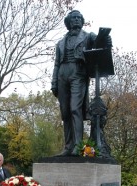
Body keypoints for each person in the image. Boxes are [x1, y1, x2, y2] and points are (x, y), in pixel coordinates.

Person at [51, 10, 112, 156]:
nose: (77, 20)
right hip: (62, 74)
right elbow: (56, 64)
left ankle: (77, 146)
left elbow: (99, 42)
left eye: (79, 18)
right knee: (65, 112)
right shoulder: (60, 43)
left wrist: (106, 39)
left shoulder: (87, 36)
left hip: (78, 72)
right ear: (69, 22)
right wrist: (54, 81)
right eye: (74, 18)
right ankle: (68, 146)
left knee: (74, 109)